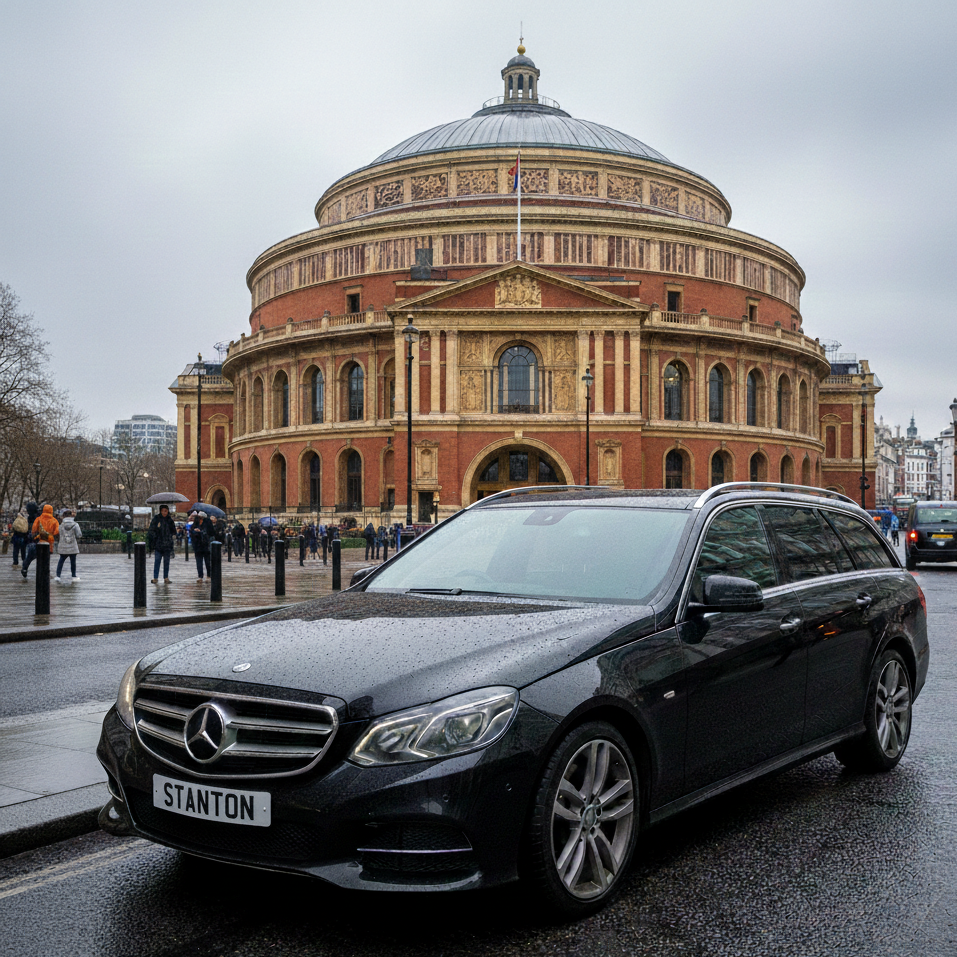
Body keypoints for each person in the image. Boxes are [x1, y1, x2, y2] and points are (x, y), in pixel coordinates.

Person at [23, 504, 59, 578]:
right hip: (49, 541)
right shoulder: (54, 520)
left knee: (33, 556)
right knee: (46, 558)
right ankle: (45, 573)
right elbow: (56, 532)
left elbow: (33, 530)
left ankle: (27, 568)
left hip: (39, 540)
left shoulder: (38, 519)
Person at [148, 504, 177, 583]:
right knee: (157, 561)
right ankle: (155, 577)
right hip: (159, 544)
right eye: (163, 511)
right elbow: (151, 530)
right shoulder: (156, 519)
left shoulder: (169, 520)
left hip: (167, 544)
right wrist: (156, 534)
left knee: (166, 562)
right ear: (160, 511)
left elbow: (173, 530)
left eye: (166, 511)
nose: (165, 513)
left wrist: (172, 534)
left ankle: (166, 577)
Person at [55, 509, 83, 581]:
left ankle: (58, 576)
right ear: (71, 515)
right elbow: (79, 535)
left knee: (61, 561)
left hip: (63, 546)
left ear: (64, 516)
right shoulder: (75, 525)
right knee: (73, 562)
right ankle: (73, 576)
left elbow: (58, 534)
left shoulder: (61, 525)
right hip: (72, 546)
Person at [191, 511, 212, 581]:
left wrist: (202, 532)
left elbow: (211, 532)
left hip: (205, 545)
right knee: (199, 562)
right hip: (197, 546)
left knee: (207, 562)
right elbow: (191, 533)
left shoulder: (208, 522)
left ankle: (209, 575)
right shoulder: (195, 523)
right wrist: (195, 531)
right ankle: (200, 576)